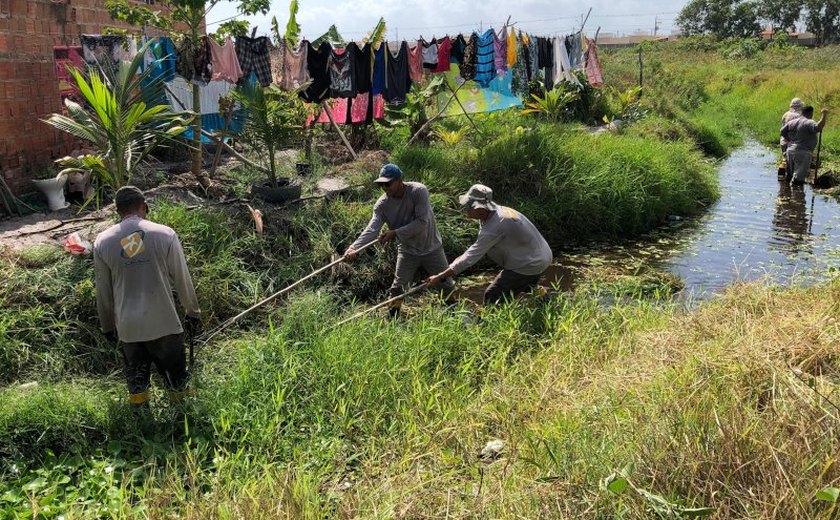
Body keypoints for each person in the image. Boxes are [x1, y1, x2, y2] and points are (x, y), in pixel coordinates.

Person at [94, 186, 201, 409]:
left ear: (118, 210)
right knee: (177, 380)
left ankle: (142, 426)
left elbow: (103, 291)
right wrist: (193, 313)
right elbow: (182, 278)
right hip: (164, 323)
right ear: (144, 206)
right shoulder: (165, 234)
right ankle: (182, 423)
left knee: (138, 384)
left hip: (129, 328)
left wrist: (107, 327)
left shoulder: (102, 242)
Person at [344, 164, 454, 318]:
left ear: (400, 180)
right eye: (381, 184)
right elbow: (372, 228)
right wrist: (354, 248)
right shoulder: (382, 205)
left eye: (388, 183)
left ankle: (454, 314)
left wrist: (395, 233)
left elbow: (422, 222)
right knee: (398, 287)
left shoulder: (418, 191)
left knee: (445, 283)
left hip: (431, 247)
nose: (384, 188)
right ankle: (392, 317)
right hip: (408, 250)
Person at [426, 184, 552, 305]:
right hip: (541, 256)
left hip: (528, 264)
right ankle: (548, 303)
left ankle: (488, 323)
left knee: (493, 295)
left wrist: (441, 276)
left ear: (480, 208)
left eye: (468, 207)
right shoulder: (499, 211)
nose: (465, 210)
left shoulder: (494, 227)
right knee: (527, 284)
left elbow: (470, 257)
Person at [781, 105, 828, 185]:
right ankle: (797, 196)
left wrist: (790, 140)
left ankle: (788, 194)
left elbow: (782, 131)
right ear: (810, 113)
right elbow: (818, 128)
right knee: (798, 180)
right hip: (803, 152)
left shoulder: (792, 122)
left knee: (789, 176)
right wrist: (824, 115)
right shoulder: (809, 122)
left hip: (790, 151)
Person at [779, 98, 803, 178]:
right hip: (793, 143)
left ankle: (782, 179)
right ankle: (791, 180)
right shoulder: (800, 117)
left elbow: (782, 129)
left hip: (783, 141)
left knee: (785, 159)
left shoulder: (785, 114)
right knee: (793, 163)